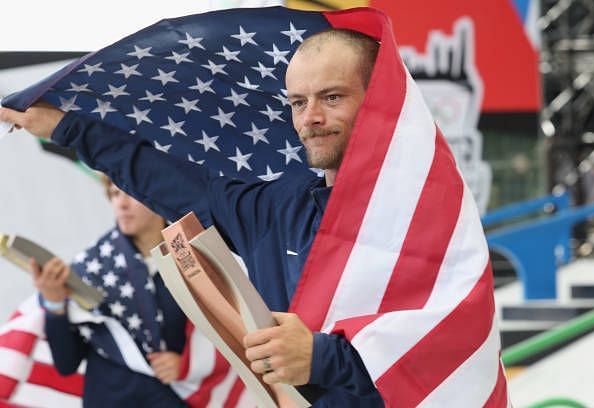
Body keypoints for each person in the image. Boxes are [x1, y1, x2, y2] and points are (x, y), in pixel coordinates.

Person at [0, 27, 504, 406]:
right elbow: (165, 180)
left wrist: (322, 357)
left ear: (380, 102)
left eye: (332, 97)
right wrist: (67, 127)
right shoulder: (279, 207)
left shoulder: (427, 211)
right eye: (298, 102)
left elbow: (451, 341)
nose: (311, 118)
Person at [32, 177, 187, 407]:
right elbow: (66, 364)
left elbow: (222, 334)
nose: (121, 204)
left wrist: (188, 364)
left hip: (180, 397)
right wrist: (55, 304)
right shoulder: (89, 269)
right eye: (114, 194)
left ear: (158, 195)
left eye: (128, 193)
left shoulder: (193, 257)